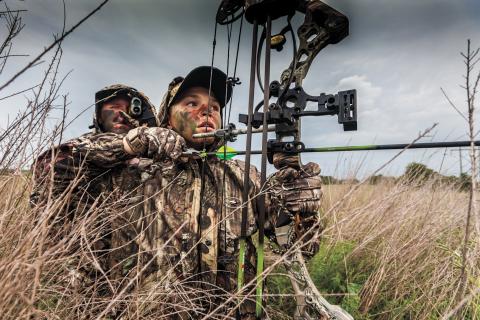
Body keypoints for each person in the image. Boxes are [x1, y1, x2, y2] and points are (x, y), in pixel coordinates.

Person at [121, 66, 323, 319]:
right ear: (168, 119)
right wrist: (128, 144)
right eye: (192, 103)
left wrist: (302, 210)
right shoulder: (138, 173)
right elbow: (65, 167)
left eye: (214, 107)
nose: (207, 110)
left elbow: (301, 249)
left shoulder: (246, 176)